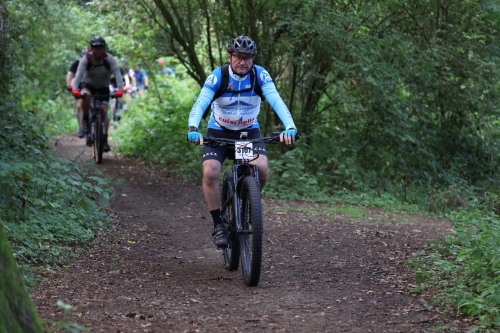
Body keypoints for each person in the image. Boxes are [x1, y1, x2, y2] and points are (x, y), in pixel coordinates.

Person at [187, 36, 298, 247]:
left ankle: (248, 201)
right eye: (238, 57)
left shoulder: (259, 75)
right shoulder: (218, 76)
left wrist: (290, 126)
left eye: (248, 58)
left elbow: (276, 100)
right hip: (218, 131)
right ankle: (219, 225)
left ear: (253, 59)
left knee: (262, 169)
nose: (243, 62)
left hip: (247, 132)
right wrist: (193, 127)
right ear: (229, 56)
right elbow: (201, 103)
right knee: (210, 172)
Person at [71, 36, 123, 152]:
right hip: (88, 85)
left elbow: (117, 74)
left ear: (104, 48)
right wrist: (75, 89)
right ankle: (85, 117)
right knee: (85, 96)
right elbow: (79, 74)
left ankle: (104, 139)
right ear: (92, 48)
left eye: (100, 48)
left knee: (104, 111)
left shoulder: (109, 59)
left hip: (104, 87)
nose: (98, 50)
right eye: (95, 48)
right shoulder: (86, 59)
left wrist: (120, 90)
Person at [66, 49, 87, 138]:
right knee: (79, 106)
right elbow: (69, 74)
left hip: (89, 84)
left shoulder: (93, 62)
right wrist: (68, 85)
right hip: (78, 84)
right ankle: (81, 127)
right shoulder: (76, 63)